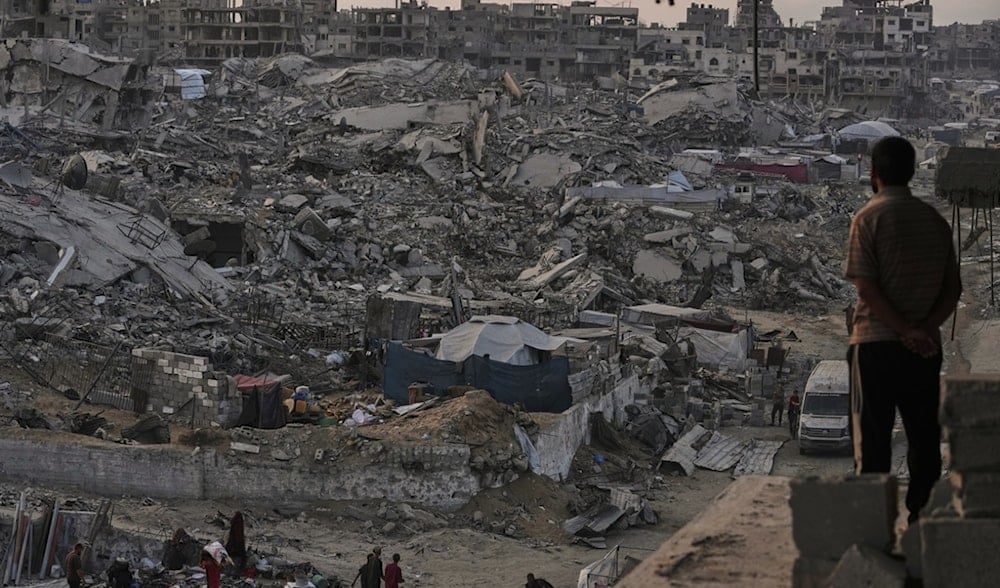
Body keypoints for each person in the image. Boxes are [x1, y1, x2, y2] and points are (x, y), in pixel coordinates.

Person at [845, 136, 962, 524]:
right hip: (924, 351)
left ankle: (876, 527)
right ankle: (920, 517)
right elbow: (953, 290)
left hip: (875, 346)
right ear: (912, 172)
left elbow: (865, 287)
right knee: (922, 435)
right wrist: (923, 329)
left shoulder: (867, 218)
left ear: (873, 172)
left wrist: (900, 330)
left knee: (874, 440)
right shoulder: (934, 222)